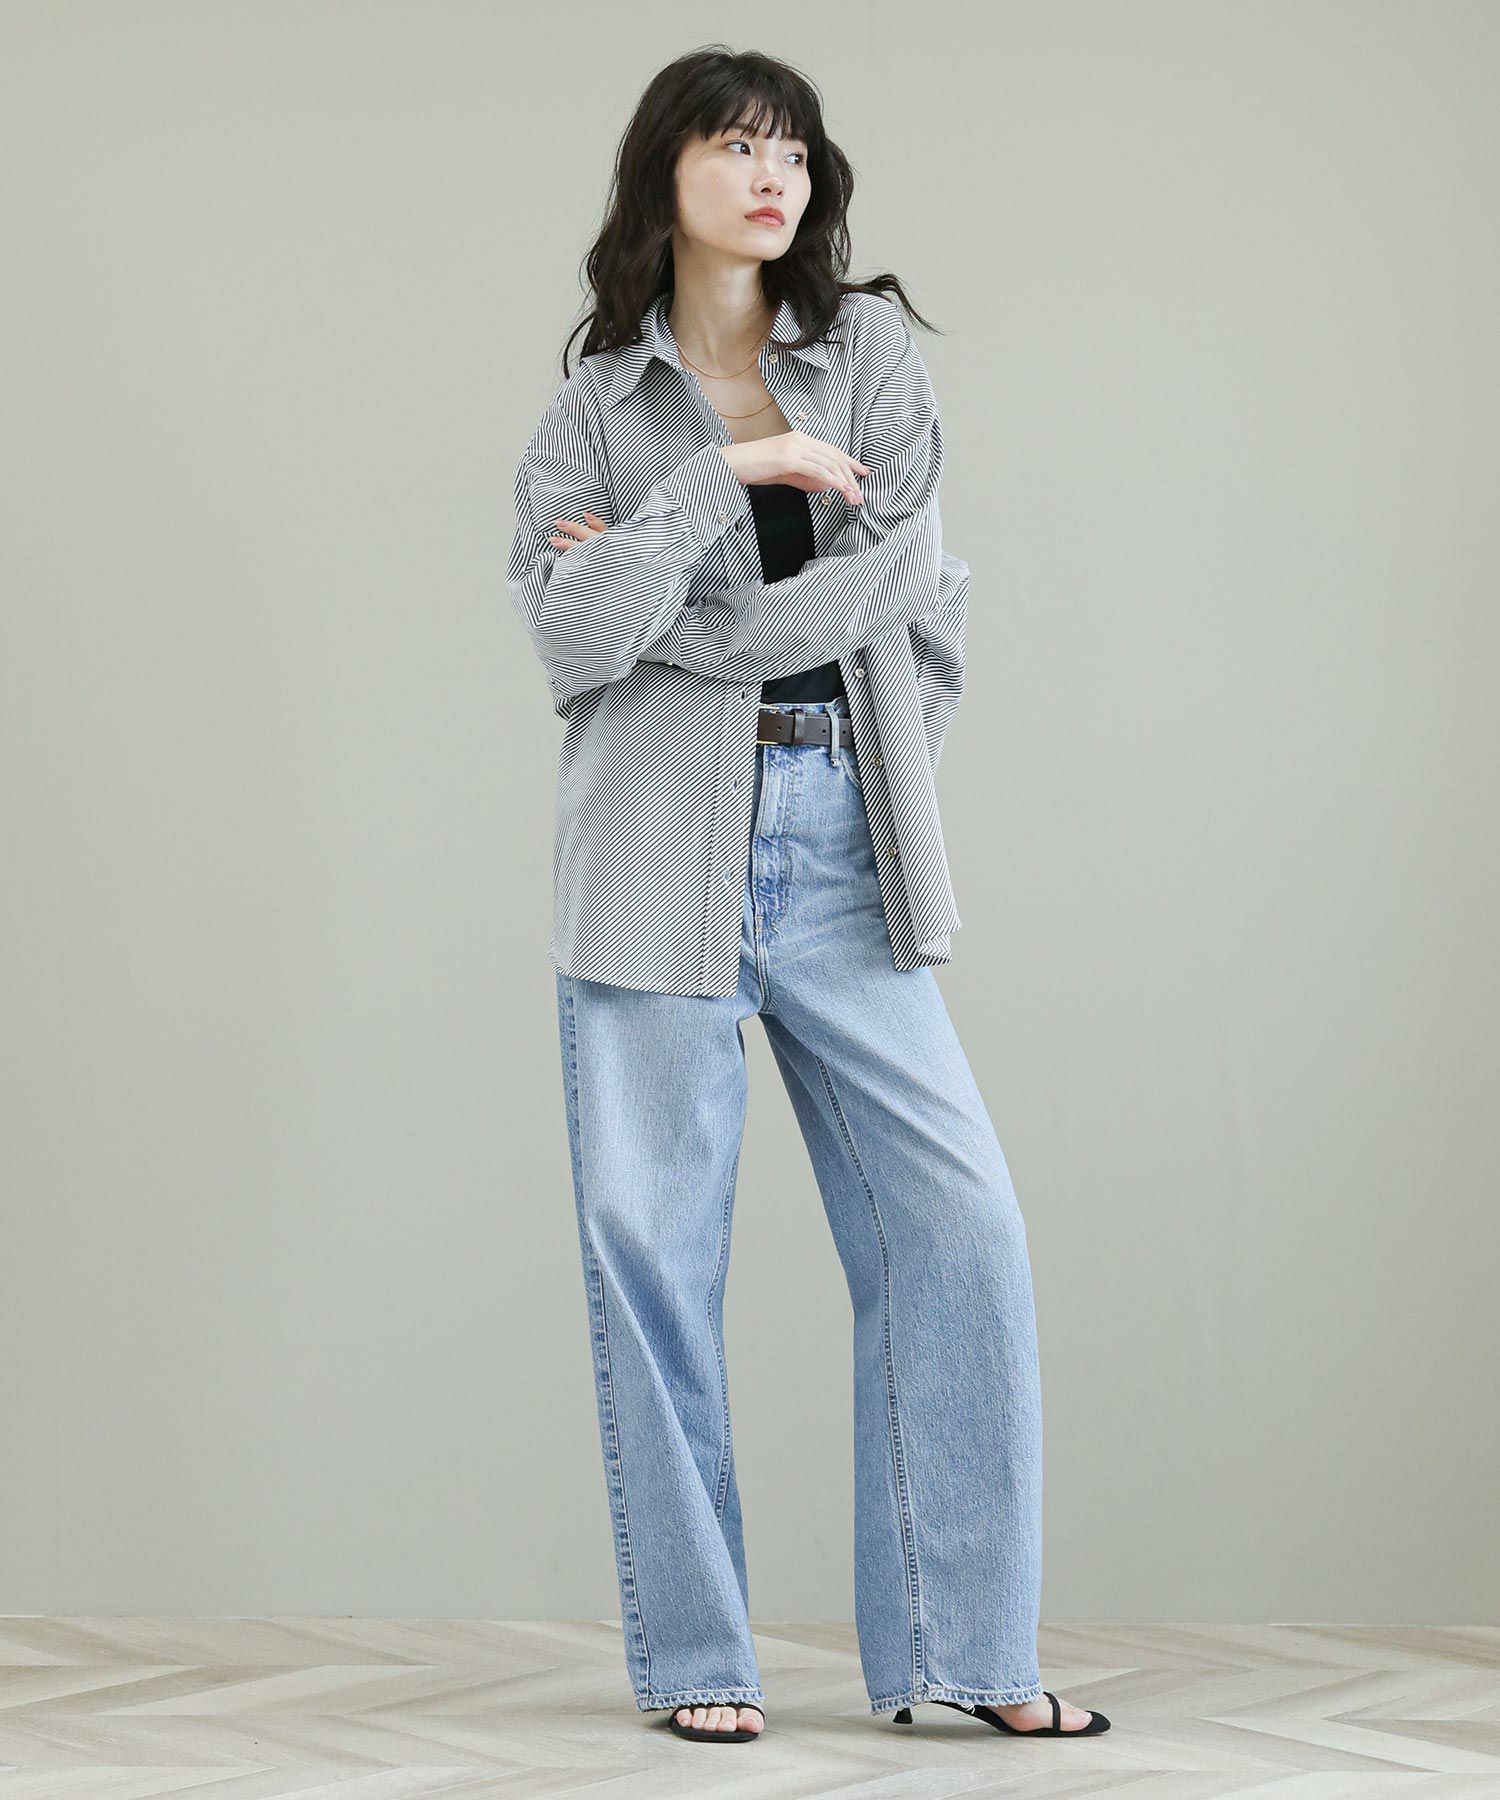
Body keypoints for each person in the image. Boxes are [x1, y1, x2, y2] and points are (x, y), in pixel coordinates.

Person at [506, 46, 1111, 1746]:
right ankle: (701, 1662)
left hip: (846, 832)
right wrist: (722, 483)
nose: (771, 174)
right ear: (667, 174)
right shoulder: (593, 413)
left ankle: (968, 1651)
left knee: (958, 1227)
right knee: (653, 1258)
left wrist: (676, 619)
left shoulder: (870, 363)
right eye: (733, 144)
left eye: (791, 149)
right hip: (648, 849)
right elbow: (565, 644)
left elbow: (906, 590)